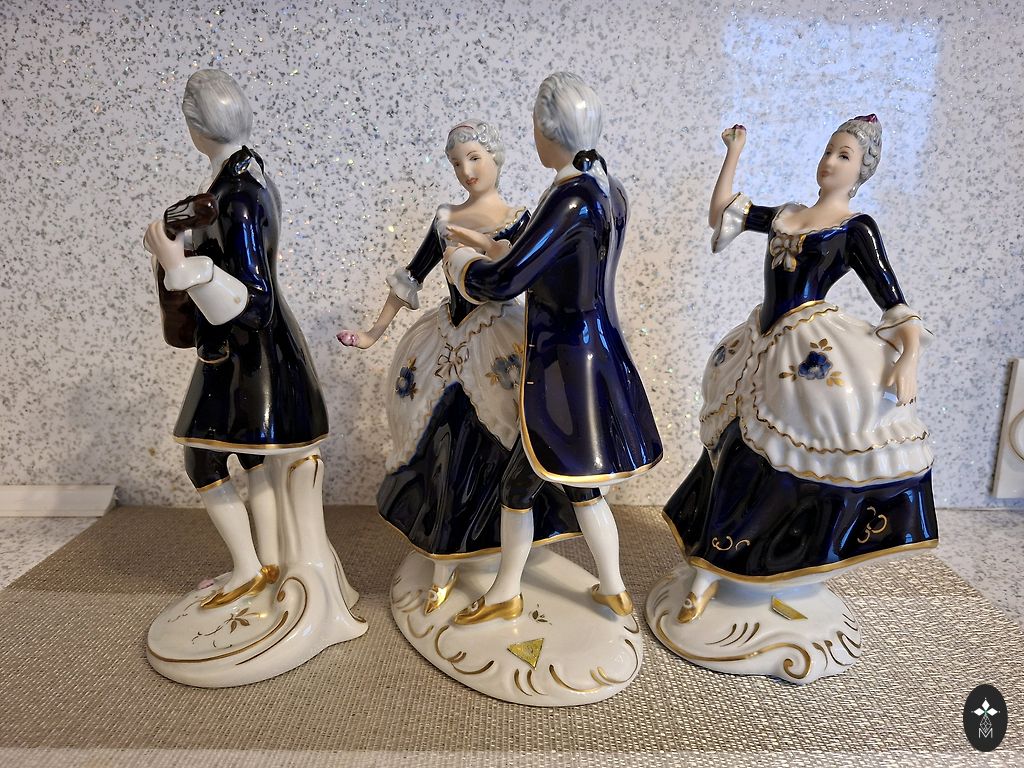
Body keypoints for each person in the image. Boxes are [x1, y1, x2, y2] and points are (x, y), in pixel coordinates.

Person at [663, 115, 938, 623]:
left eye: (844, 155)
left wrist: (909, 360)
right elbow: (723, 212)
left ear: (861, 171)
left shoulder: (855, 228)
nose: (829, 161)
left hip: (807, 351)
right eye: (829, 150)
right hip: (761, 342)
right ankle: (711, 562)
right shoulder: (788, 215)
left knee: (780, 458)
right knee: (732, 444)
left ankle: (748, 564)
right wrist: (734, 152)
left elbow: (896, 305)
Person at [444, 73, 663, 624]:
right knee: (578, 485)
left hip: (563, 364)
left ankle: (507, 594)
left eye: (535, 129)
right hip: (596, 352)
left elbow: (504, 283)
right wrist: (500, 243)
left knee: (521, 485)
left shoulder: (570, 196)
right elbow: (561, 257)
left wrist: (462, 263)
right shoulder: (606, 187)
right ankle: (611, 588)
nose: (533, 139)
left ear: (549, 130)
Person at [338, 120, 577, 614]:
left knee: (501, 447)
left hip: (501, 343)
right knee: (442, 447)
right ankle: (443, 560)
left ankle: (501, 557)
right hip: (446, 344)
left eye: (474, 158)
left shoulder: (522, 219)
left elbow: (537, 282)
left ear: (495, 158)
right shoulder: (445, 219)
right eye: (456, 163)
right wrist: (373, 333)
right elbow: (411, 277)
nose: (466, 170)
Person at [144, 69, 330, 607]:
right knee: (250, 456)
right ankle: (264, 564)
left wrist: (180, 265)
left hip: (250, 350)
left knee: (203, 460)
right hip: (239, 351)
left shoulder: (237, 195)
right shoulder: (242, 181)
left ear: (195, 125)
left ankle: (250, 567)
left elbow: (254, 301)